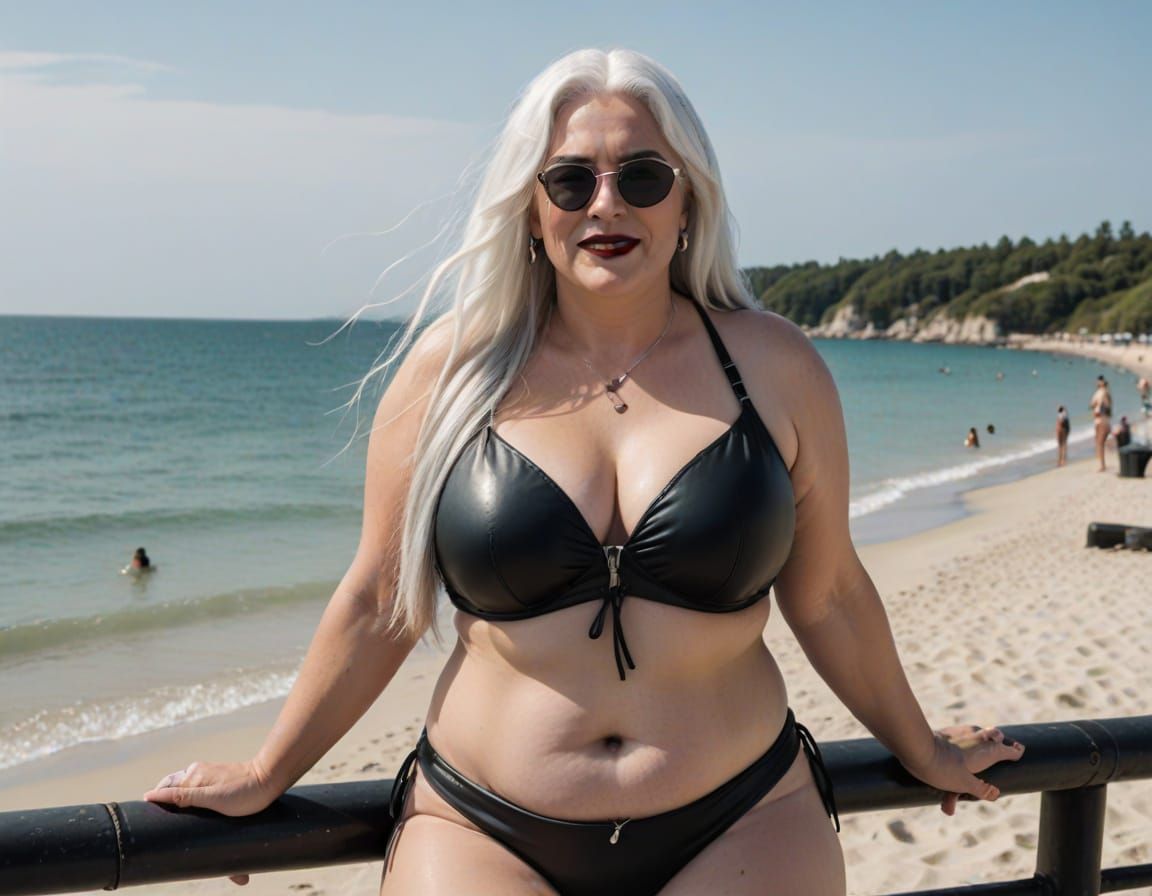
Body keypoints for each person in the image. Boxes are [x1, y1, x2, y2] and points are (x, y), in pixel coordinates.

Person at [143, 49, 1024, 896]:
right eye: (571, 180)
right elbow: (381, 600)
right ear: (532, 207)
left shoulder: (775, 367)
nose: (607, 204)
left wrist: (922, 749)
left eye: (642, 176)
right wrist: (268, 772)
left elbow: (829, 593)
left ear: (689, 200)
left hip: (744, 818)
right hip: (481, 826)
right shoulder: (450, 373)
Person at [1090, 376, 1112, 472]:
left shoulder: (1102, 393)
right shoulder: (1104, 394)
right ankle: (1102, 464)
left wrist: (1097, 406)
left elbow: (1097, 406)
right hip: (1102, 420)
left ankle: (1102, 465)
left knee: (1100, 443)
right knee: (1100, 443)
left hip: (1101, 420)